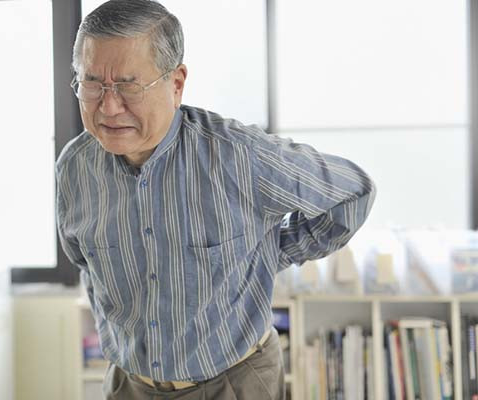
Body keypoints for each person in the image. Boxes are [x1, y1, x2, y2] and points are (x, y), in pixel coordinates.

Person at [55, 1, 376, 399]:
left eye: (127, 85)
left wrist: (272, 253)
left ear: (176, 83)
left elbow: (353, 191)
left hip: (234, 381)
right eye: (92, 84)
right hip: (129, 383)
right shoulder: (74, 168)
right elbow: (84, 262)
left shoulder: (239, 155)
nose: (109, 106)